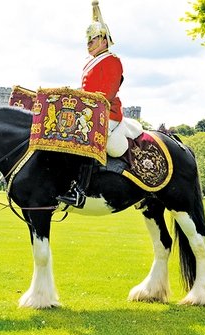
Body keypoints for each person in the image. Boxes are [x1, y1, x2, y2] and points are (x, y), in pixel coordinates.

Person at [58, 0, 133, 208]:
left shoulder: (112, 60)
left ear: (104, 40)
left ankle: (80, 190)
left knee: (85, 137)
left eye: (92, 40)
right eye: (88, 40)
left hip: (106, 113)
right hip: (90, 112)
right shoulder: (90, 61)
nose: (88, 43)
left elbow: (106, 94)